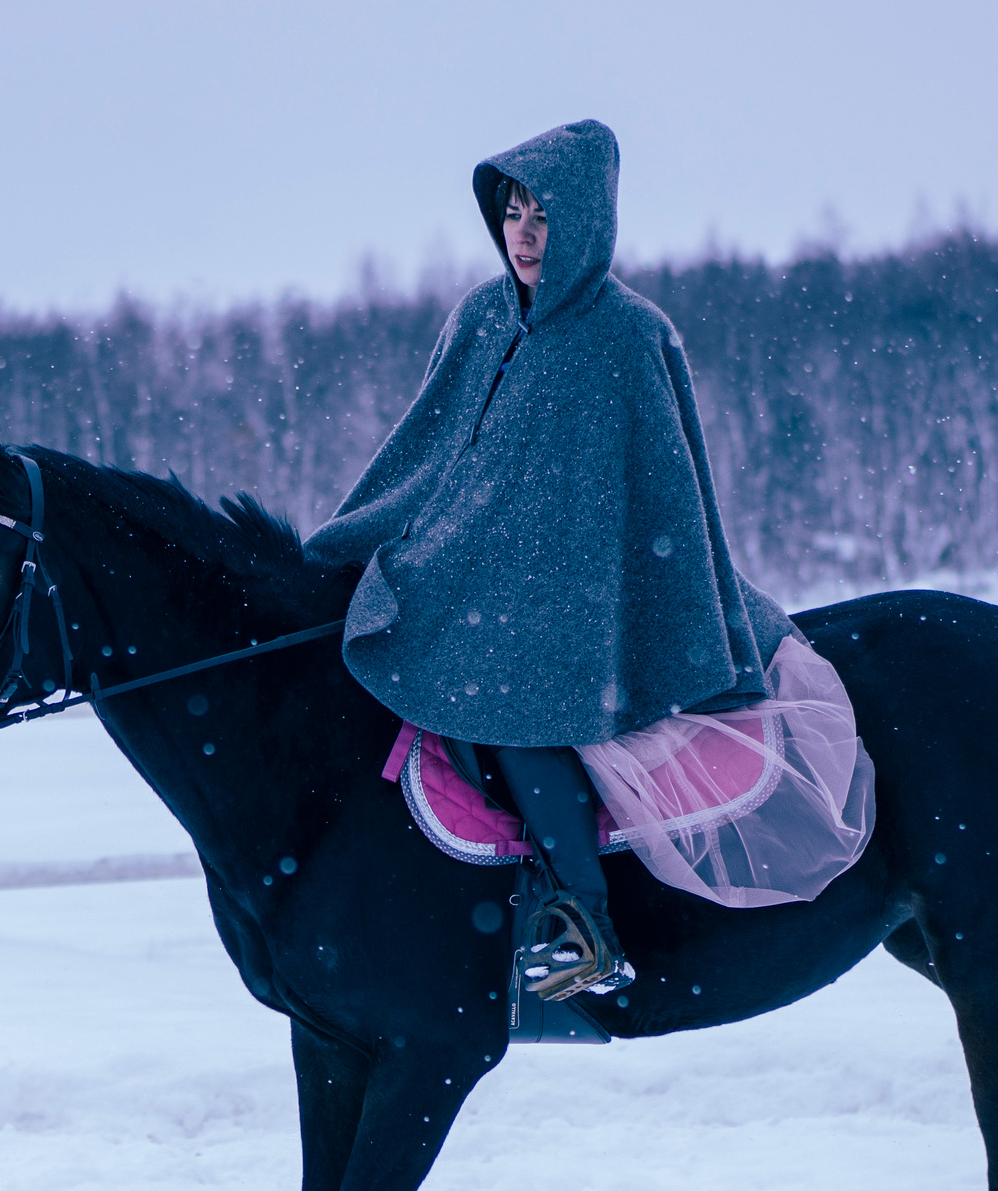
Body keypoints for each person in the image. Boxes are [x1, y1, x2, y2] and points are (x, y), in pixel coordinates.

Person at [305, 119, 812, 998]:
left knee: (507, 699)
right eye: (513, 212)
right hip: (464, 579)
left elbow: (653, 501)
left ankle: (586, 921)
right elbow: (429, 453)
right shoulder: (479, 316)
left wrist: (540, 587)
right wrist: (370, 545)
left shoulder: (629, 338)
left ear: (589, 222)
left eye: (547, 214)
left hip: (587, 602)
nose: (527, 235)